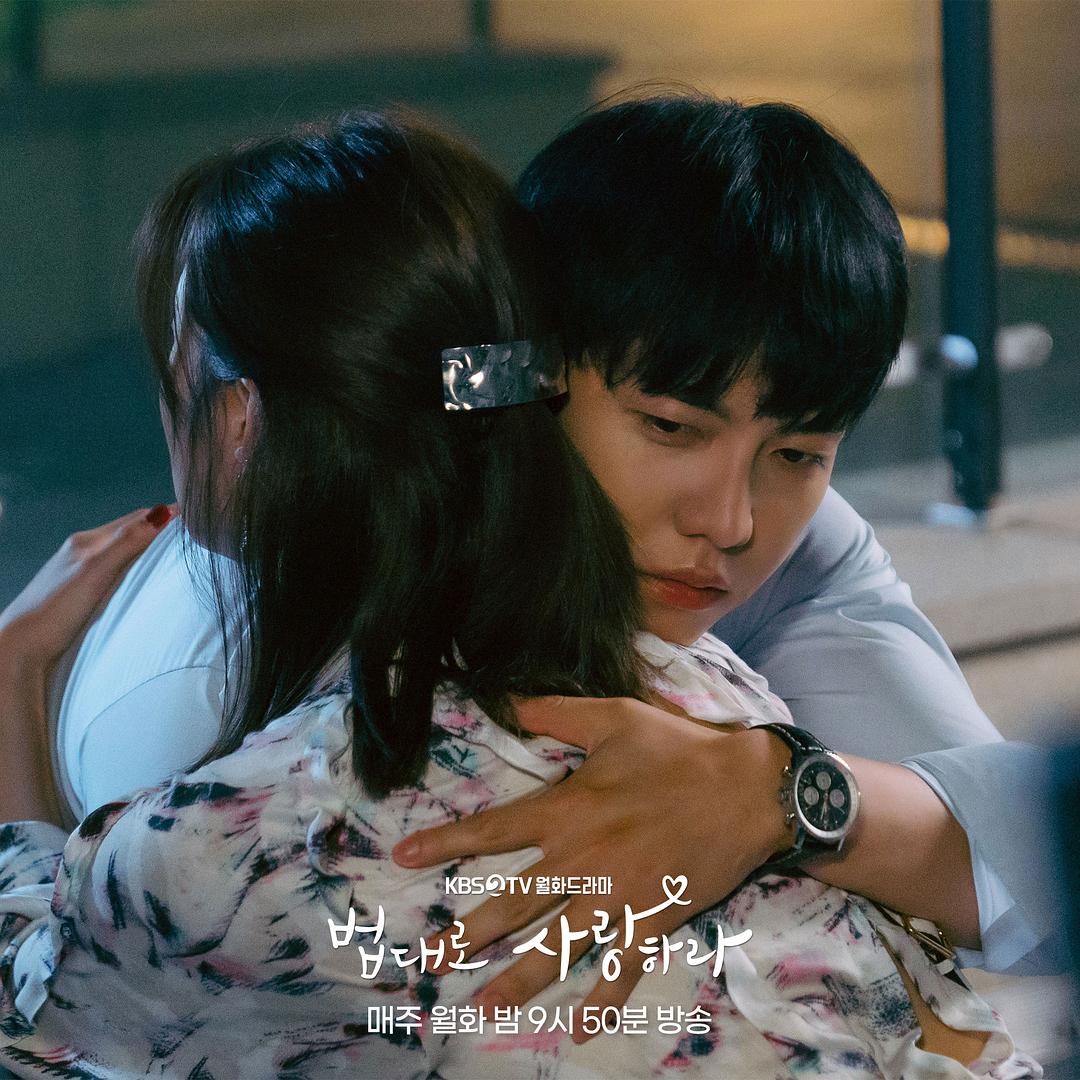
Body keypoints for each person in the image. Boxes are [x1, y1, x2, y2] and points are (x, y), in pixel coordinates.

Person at [0, 110, 1039, 1078]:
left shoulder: (748, 626)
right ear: (529, 376)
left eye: (802, 453)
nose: (731, 522)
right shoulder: (197, 700)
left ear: (236, 418)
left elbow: (1043, 852)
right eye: (669, 426)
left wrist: (782, 793)